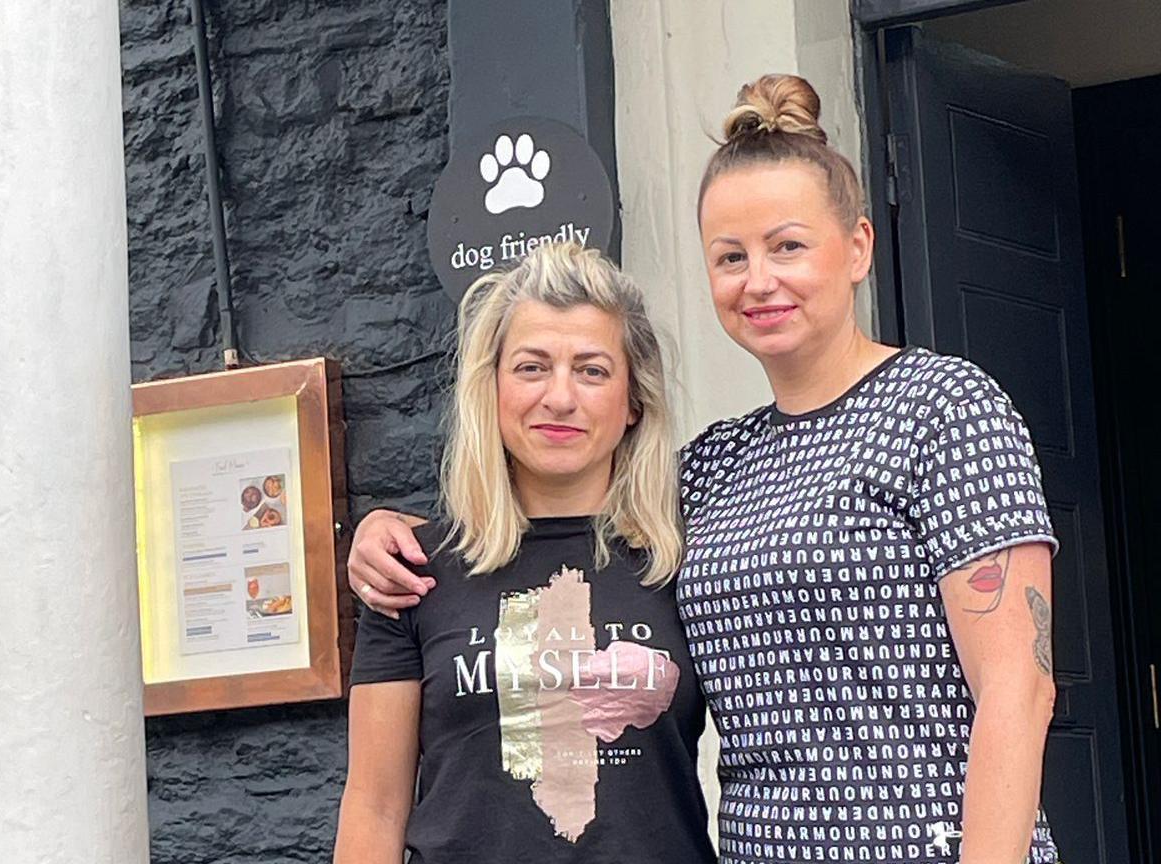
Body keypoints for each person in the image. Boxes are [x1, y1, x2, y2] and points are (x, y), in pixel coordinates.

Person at [348, 74, 1059, 864]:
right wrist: (383, 529)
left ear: (858, 246)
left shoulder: (943, 408)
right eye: (730, 256)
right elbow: (558, 495)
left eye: (788, 245)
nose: (759, 280)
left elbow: (1018, 690)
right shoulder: (710, 470)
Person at [333, 242, 716, 864]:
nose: (559, 398)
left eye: (591, 370)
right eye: (532, 367)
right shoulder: (411, 569)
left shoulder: (687, 560)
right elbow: (375, 806)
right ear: (493, 390)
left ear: (633, 403)